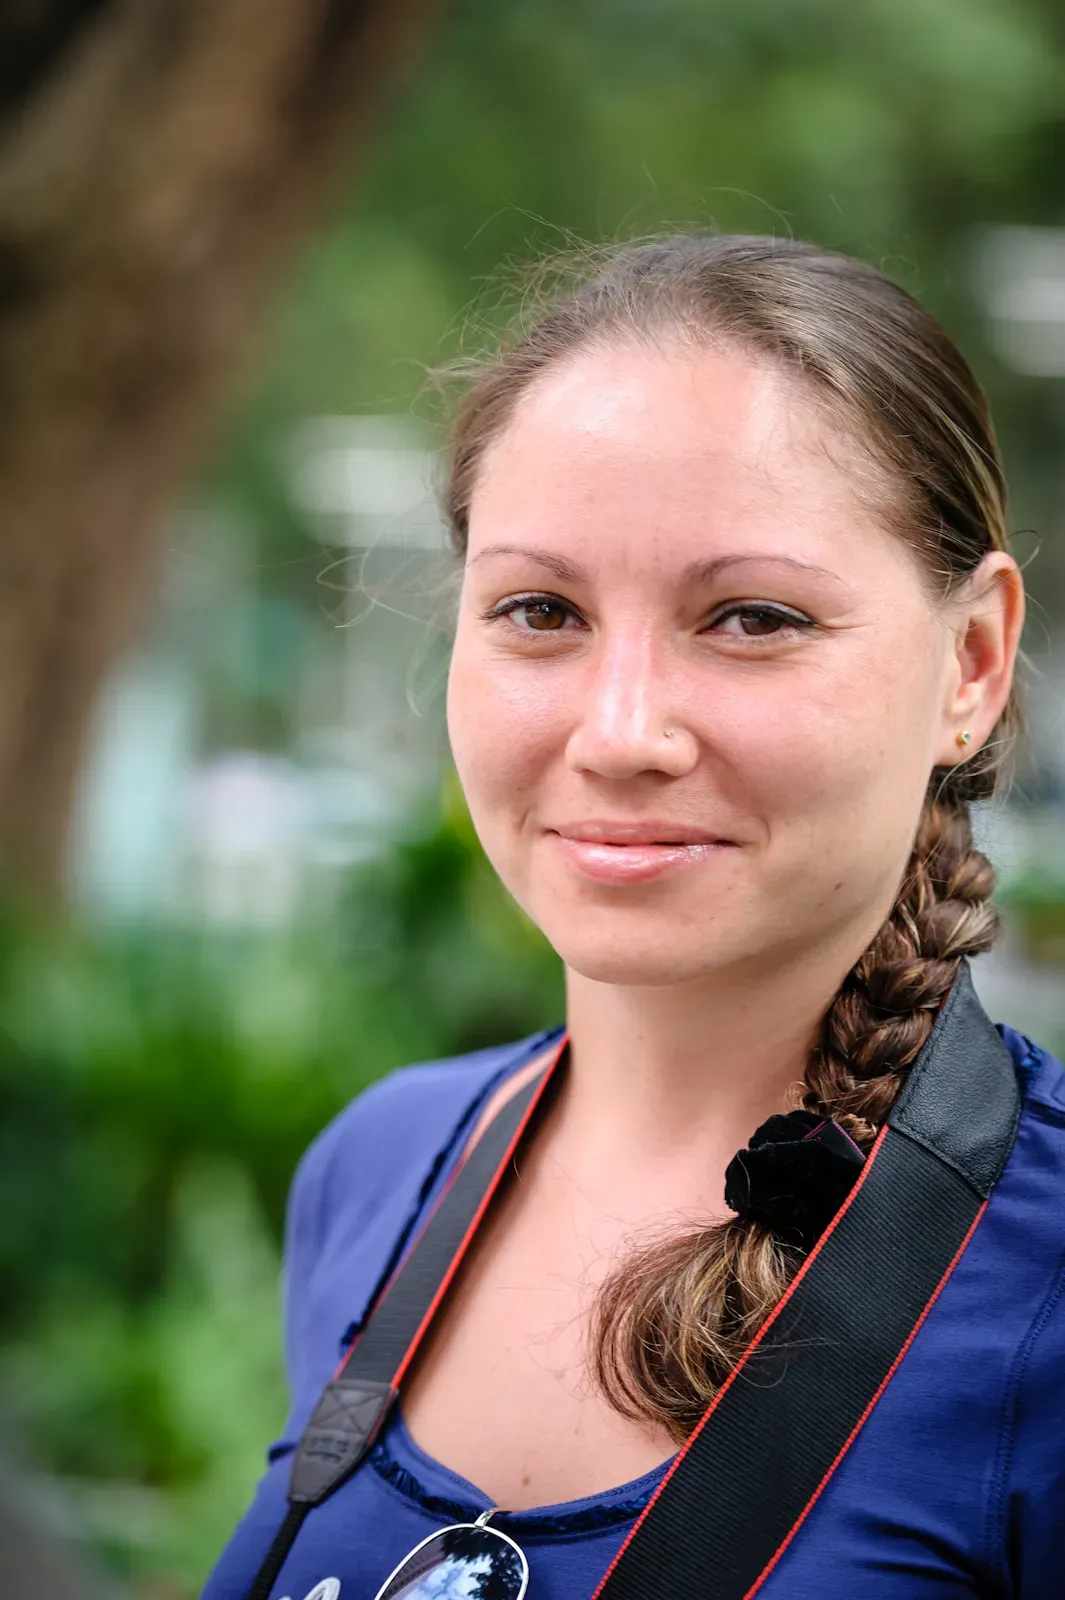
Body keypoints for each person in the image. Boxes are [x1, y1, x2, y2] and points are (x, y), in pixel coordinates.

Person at [203, 235, 1064, 1600]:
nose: (620, 734)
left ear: (971, 662)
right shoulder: (382, 1169)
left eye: (751, 618)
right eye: (541, 610)